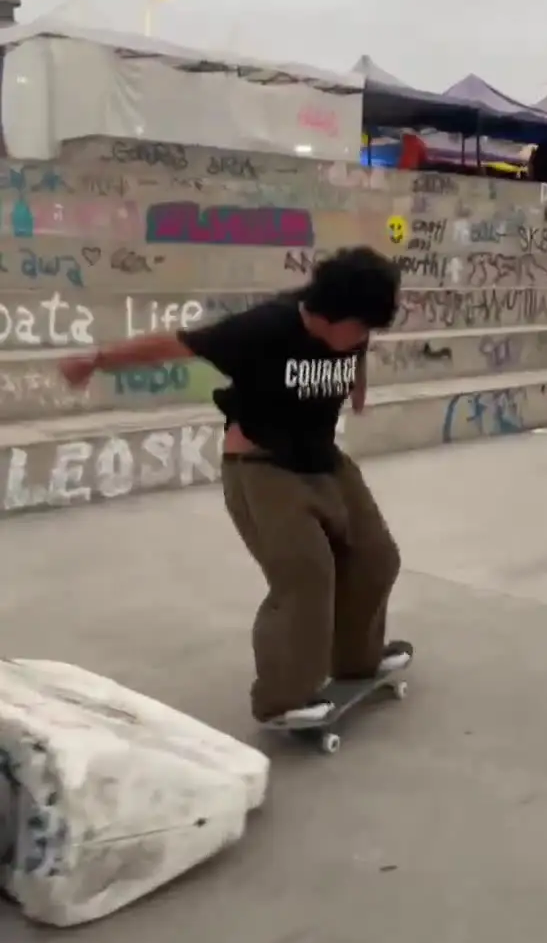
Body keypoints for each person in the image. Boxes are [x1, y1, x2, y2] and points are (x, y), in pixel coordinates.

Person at [60, 246, 411, 727]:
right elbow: (174, 345)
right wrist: (96, 360)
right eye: (360, 328)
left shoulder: (353, 330)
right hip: (262, 467)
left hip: (323, 460)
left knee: (377, 557)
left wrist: (358, 387)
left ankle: (357, 659)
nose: (363, 338)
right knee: (305, 576)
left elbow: (358, 349)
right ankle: (282, 698)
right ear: (331, 315)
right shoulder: (260, 329)